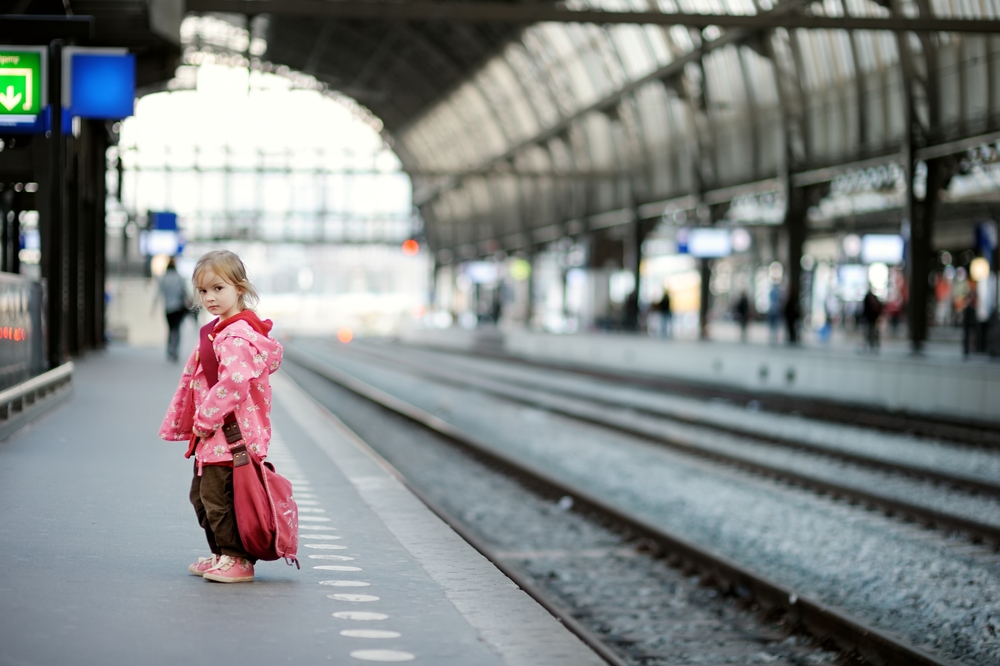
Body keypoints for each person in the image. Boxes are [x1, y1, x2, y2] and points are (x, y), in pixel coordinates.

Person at [159, 250, 283, 583]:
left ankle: (237, 559)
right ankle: (222, 555)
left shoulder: (234, 336)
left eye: (218, 288)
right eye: (203, 291)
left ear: (239, 288)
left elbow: (234, 384)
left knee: (219, 497)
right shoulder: (220, 331)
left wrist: (205, 419)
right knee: (202, 495)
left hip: (230, 435)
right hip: (218, 436)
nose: (210, 297)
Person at [153, 258, 190, 362]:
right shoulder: (179, 278)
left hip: (168, 308)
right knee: (177, 329)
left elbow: (158, 293)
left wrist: (154, 307)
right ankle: (175, 351)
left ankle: (169, 349)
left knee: (170, 329)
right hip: (178, 307)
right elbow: (186, 293)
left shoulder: (163, 278)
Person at [862, 286, 882, 351]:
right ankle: (873, 343)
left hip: (870, 317)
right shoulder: (873, 297)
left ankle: (871, 343)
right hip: (872, 317)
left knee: (870, 331)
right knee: (872, 330)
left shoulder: (868, 298)